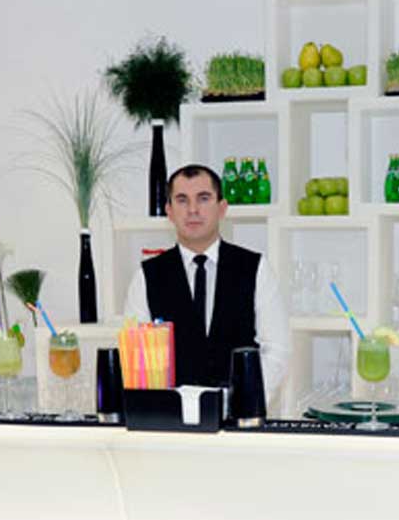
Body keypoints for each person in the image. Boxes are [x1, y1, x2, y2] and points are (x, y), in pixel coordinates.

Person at [123, 164, 287, 398]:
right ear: (169, 211)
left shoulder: (256, 268)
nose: (193, 210)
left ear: (221, 208)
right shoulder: (146, 276)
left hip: (239, 413)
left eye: (203, 198)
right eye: (182, 200)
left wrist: (242, 400)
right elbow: (138, 361)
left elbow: (277, 351)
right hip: (170, 416)